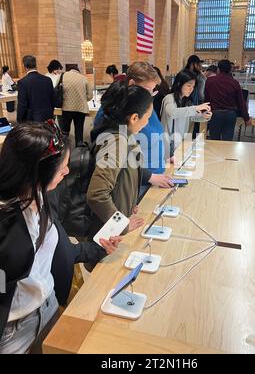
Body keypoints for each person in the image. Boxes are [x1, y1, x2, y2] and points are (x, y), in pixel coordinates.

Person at [0, 121, 121, 354]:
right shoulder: (6, 221)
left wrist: (99, 248)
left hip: (49, 307)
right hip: (12, 330)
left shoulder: (45, 197)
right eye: (62, 167)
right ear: (38, 172)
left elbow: (57, 249)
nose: (67, 172)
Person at [88, 83, 153, 253]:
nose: (147, 122)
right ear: (133, 118)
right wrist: (122, 224)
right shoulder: (117, 142)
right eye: (147, 117)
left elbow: (121, 180)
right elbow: (97, 194)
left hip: (115, 225)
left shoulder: (124, 136)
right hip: (109, 233)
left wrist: (128, 202)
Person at [94, 62, 173, 188]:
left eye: (153, 91)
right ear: (131, 84)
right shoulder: (112, 112)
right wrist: (150, 176)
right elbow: (115, 156)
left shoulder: (144, 105)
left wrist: (165, 156)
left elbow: (156, 133)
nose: (150, 95)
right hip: (135, 183)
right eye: (147, 90)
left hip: (155, 177)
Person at [161, 69, 212, 158]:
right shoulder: (169, 98)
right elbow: (172, 113)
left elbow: (192, 116)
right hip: (167, 143)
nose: (191, 89)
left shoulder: (186, 101)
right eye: (189, 85)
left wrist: (204, 116)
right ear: (179, 84)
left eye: (193, 86)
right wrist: (196, 108)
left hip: (179, 143)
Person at [205, 60, 252, 141]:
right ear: (230, 70)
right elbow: (241, 102)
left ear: (218, 69)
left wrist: (204, 112)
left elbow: (206, 99)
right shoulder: (234, 83)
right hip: (230, 115)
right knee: (227, 141)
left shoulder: (210, 81)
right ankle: (225, 153)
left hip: (215, 114)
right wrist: (246, 118)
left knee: (214, 141)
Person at [62, 64, 93, 147]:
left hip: (66, 107)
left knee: (65, 130)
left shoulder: (63, 76)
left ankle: (64, 147)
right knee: (79, 129)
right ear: (77, 70)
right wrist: (82, 99)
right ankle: (79, 147)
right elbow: (90, 95)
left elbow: (58, 90)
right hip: (80, 108)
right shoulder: (84, 78)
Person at [17, 56, 55, 123]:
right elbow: (52, 99)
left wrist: (20, 120)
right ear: (35, 65)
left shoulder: (23, 82)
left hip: (32, 120)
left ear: (24, 66)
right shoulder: (47, 80)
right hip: (48, 117)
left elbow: (22, 105)